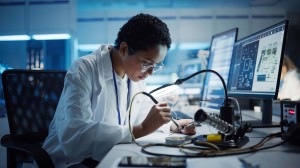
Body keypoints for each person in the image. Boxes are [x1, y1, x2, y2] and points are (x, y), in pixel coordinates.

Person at [42, 13, 195, 167]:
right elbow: (74, 138)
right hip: (69, 163)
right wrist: (143, 128)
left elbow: (142, 116)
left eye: (156, 65)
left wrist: (173, 125)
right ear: (124, 49)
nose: (150, 73)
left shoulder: (135, 75)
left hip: (109, 157)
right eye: (147, 63)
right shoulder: (84, 69)